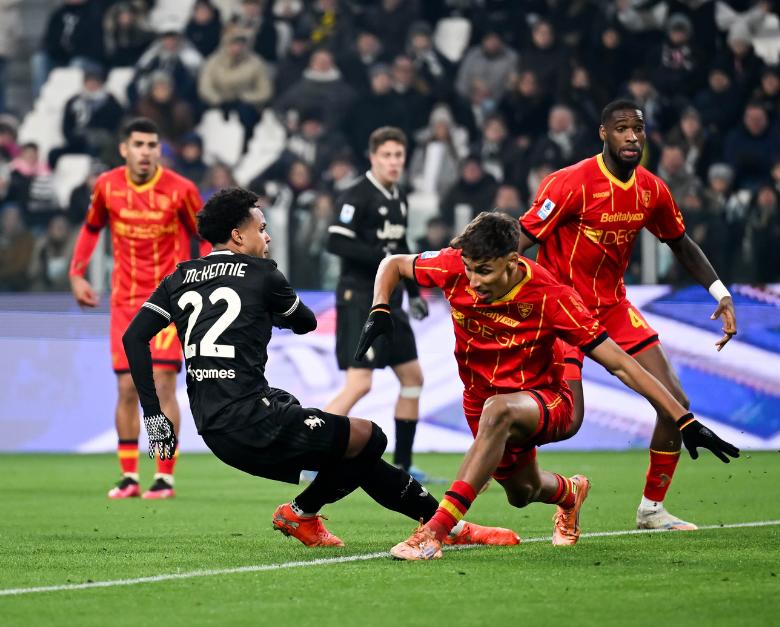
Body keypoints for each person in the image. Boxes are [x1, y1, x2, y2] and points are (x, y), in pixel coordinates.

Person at [121, 187, 519, 549]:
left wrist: (155, 416)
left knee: (353, 454)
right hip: (253, 419)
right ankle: (301, 513)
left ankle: (447, 528)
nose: (268, 236)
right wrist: (272, 312)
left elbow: (133, 339)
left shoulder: (179, 277)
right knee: (370, 437)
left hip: (215, 427)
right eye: (262, 228)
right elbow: (306, 321)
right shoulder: (263, 274)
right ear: (239, 236)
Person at [358, 212, 739, 560]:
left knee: (500, 411)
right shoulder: (454, 267)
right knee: (520, 492)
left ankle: (433, 533)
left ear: (512, 262)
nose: (474, 282)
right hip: (480, 398)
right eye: (471, 270)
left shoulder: (552, 296)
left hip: (549, 399)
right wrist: (379, 307)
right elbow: (392, 264)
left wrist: (682, 418)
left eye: (485, 272)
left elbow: (621, 364)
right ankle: (570, 493)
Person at [518, 99, 738, 532]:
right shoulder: (569, 183)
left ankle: (652, 510)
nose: (632, 136)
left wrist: (720, 291)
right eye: (621, 128)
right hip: (564, 311)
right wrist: (477, 281)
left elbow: (680, 242)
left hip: (614, 308)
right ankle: (534, 471)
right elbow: (522, 237)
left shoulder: (651, 189)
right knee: (568, 422)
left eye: (638, 128)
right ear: (603, 133)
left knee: (676, 403)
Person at [69, 117, 206, 500]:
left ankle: (164, 475)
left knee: (163, 383)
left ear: (159, 150)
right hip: (125, 301)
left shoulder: (181, 191)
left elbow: (205, 236)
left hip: (167, 301)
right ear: (124, 149)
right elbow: (92, 227)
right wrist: (77, 274)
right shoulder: (107, 186)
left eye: (152, 144)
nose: (146, 152)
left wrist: (205, 280)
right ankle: (129, 476)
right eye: (139, 144)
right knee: (127, 387)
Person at [324, 127, 430, 480]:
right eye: (387, 155)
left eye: (399, 155)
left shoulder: (399, 197)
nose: (393, 162)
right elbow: (336, 242)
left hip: (392, 301)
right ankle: (314, 454)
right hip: (360, 300)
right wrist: (384, 260)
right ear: (373, 157)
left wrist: (414, 293)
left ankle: (403, 465)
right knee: (360, 384)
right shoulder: (355, 195)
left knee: (413, 378)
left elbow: (401, 245)